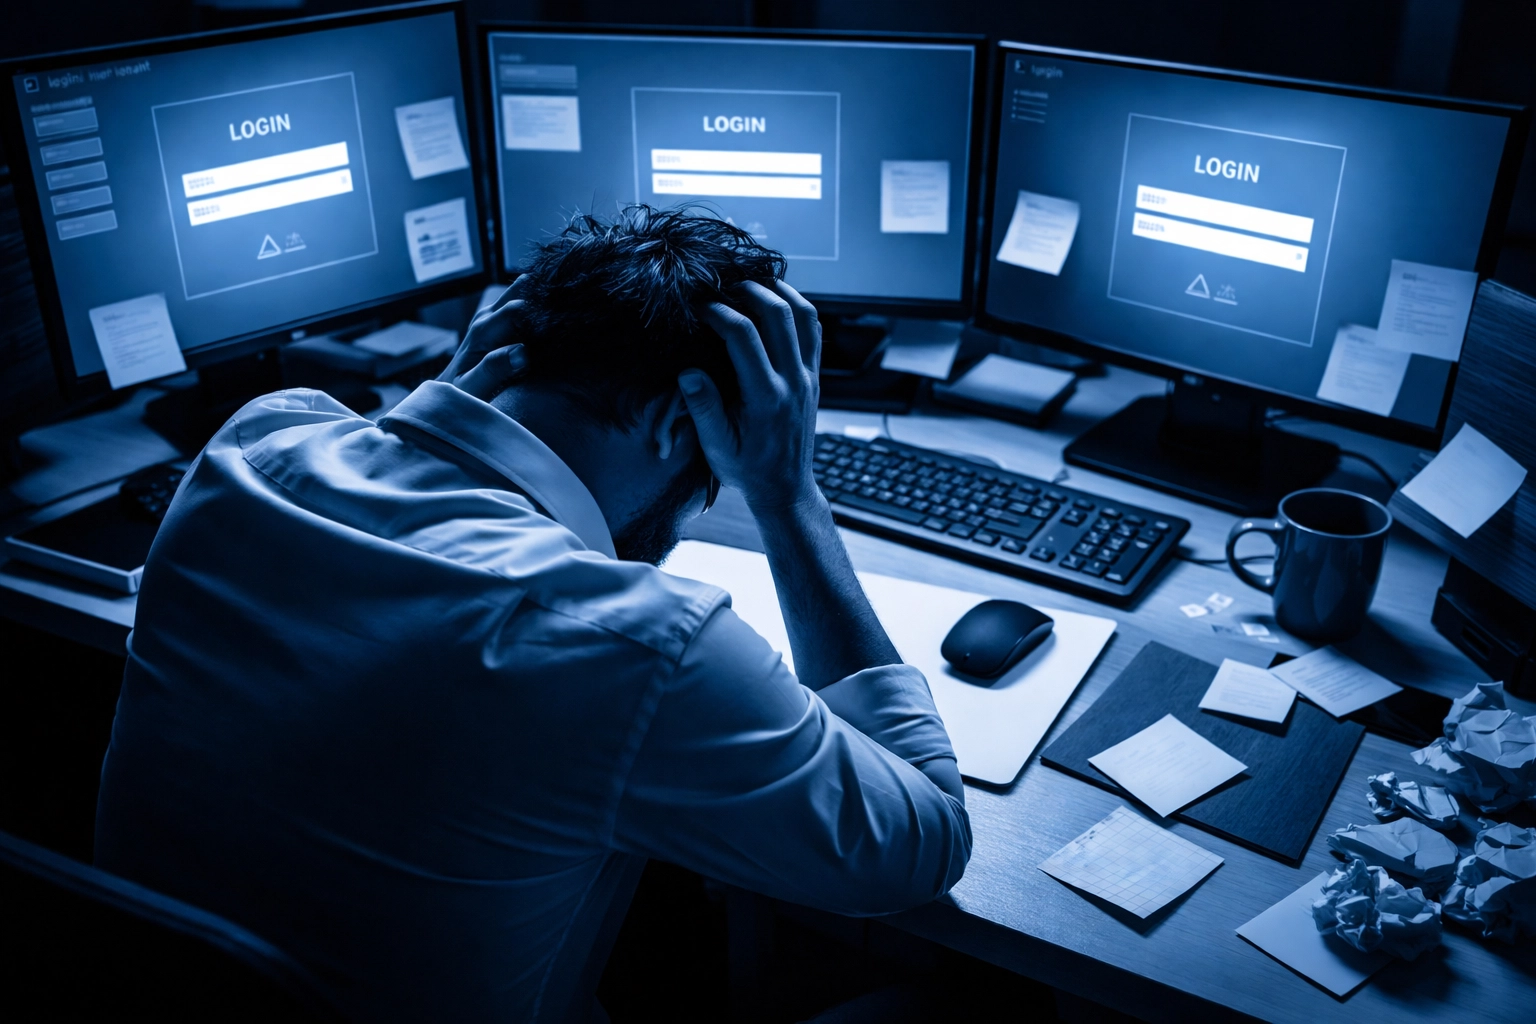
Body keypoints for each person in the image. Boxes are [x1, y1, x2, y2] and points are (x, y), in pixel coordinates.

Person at [94, 206, 970, 1022]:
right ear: (677, 426)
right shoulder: (641, 643)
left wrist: (454, 410)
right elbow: (922, 846)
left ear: (503, 343)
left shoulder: (255, 448)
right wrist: (785, 490)